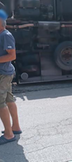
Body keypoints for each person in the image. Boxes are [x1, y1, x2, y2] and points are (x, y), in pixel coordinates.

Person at [0, 9, 21, 145]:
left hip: (3, 74)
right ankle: (15, 127)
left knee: (0, 103)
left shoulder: (5, 35)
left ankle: (8, 134)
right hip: (5, 73)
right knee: (9, 99)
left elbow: (12, 55)